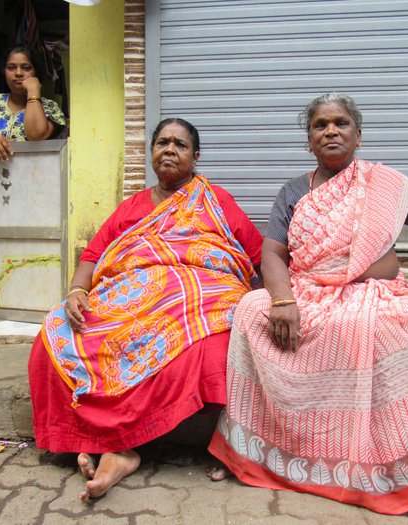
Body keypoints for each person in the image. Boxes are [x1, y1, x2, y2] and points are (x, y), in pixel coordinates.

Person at [208, 93, 408, 515]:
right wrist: (283, 299)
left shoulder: (386, 184)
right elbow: (272, 253)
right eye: (319, 125)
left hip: (373, 296)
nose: (330, 130)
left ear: (358, 136)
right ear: (309, 141)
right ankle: (251, 453)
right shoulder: (293, 191)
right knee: (251, 310)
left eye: (341, 123)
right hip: (307, 293)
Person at [29, 117, 263, 502]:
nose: (170, 149)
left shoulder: (217, 201)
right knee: (56, 336)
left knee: (207, 352)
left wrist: (279, 300)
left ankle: (115, 448)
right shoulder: (132, 207)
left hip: (200, 298)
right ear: (151, 153)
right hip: (130, 299)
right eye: (162, 143)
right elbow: (92, 255)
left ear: (196, 156)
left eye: (180, 145)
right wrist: (76, 290)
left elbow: (256, 253)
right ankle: (112, 447)